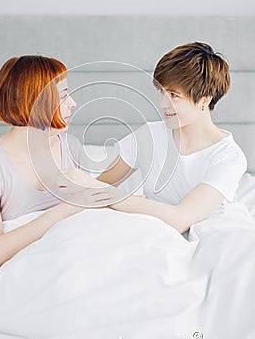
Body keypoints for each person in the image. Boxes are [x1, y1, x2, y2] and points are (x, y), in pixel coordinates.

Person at [61, 42, 247, 233]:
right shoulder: (149, 135)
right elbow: (101, 189)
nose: (163, 103)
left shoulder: (228, 157)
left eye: (174, 95)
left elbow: (181, 219)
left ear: (204, 100)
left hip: (211, 238)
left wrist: (105, 191)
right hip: (154, 234)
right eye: (161, 91)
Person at [0, 55, 103, 272]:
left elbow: (91, 217)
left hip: (78, 256)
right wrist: (65, 209)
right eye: (63, 96)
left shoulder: (71, 147)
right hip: (28, 269)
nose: (73, 103)